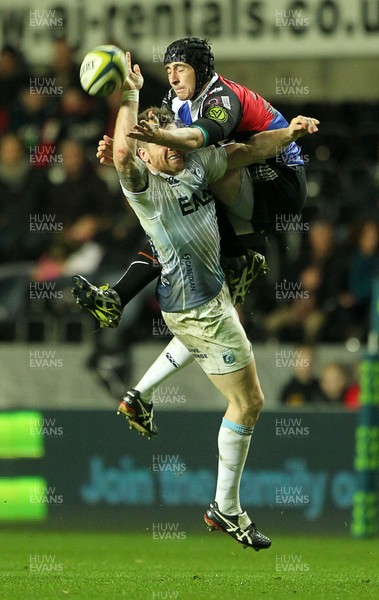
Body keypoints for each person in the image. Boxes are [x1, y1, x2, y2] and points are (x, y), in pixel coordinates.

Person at [75, 51, 317, 550]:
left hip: (199, 302)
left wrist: (289, 132)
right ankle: (225, 509)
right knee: (248, 402)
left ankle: (139, 394)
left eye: (170, 129)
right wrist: (129, 94)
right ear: (146, 151)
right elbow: (123, 156)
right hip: (196, 309)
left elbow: (249, 150)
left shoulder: (196, 165)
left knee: (240, 280)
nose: (172, 146)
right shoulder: (143, 188)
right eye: (160, 139)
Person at [74, 37, 309, 326]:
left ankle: (238, 261)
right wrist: (129, 157)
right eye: (168, 68)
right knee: (170, 210)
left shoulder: (221, 97)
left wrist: (155, 139)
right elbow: (160, 153)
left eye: (181, 68)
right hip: (241, 171)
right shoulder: (175, 100)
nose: (172, 78)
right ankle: (118, 298)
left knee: (190, 176)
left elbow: (194, 140)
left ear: (200, 70)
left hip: (276, 183)